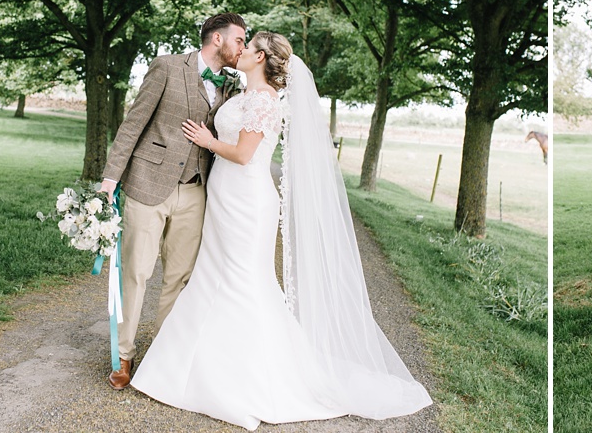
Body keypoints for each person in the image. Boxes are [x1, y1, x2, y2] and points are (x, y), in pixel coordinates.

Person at [129, 32, 432, 429]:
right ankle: (191, 364)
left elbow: (243, 153)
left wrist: (207, 140)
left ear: (259, 57)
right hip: (224, 198)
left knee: (241, 281)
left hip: (247, 200)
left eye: (248, 44)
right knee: (213, 275)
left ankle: (246, 378)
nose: (241, 49)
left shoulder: (263, 100)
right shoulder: (241, 95)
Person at [99, 13, 246, 390]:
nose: (242, 47)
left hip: (196, 191)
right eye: (240, 40)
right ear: (217, 38)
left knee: (179, 278)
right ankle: (125, 356)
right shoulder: (165, 67)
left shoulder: (232, 86)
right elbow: (133, 124)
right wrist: (108, 181)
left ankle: (162, 356)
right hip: (148, 185)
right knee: (136, 271)